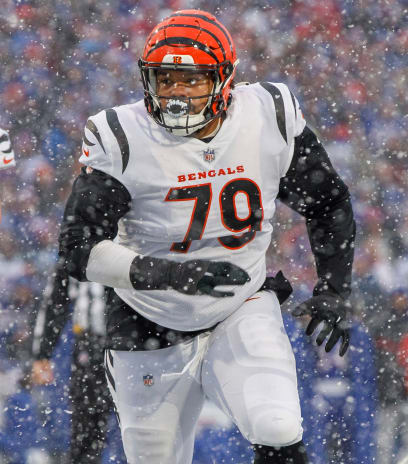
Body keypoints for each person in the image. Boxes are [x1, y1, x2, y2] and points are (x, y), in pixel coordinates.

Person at [58, 9, 355, 464]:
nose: (175, 94)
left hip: (241, 304)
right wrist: (169, 274)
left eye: (191, 79)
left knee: (277, 426)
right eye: (164, 79)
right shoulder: (121, 136)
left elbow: (328, 201)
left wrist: (335, 288)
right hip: (147, 319)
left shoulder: (268, 114)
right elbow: (77, 250)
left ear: (224, 78)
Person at [28, 263, 120, 463]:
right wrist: (42, 354)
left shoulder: (136, 238)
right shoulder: (78, 241)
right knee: (86, 431)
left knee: (143, 431)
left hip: (134, 346)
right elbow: (55, 302)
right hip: (92, 349)